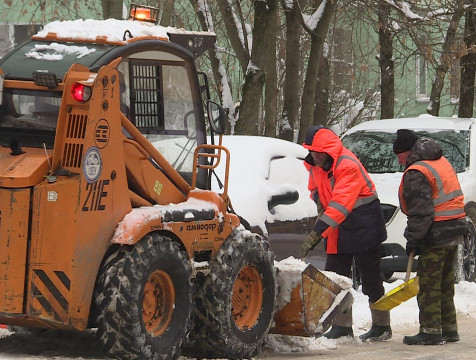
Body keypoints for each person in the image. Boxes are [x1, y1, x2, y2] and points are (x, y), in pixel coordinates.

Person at [300, 125, 390, 341]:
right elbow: (315, 188)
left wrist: (316, 233)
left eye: (318, 151)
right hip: (338, 226)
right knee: (335, 276)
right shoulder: (315, 165)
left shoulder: (347, 165)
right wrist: (319, 201)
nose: (314, 156)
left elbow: (341, 205)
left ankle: (381, 326)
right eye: (311, 151)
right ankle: (341, 327)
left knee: (371, 278)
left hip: (364, 223)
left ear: (329, 150)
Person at [393, 129, 468, 345]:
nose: (399, 161)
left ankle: (431, 331)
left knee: (428, 285)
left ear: (408, 152)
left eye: (399, 156)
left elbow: (421, 212)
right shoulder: (440, 161)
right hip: (454, 230)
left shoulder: (417, 172)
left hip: (436, 234)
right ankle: (449, 329)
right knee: (445, 284)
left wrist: (413, 240)